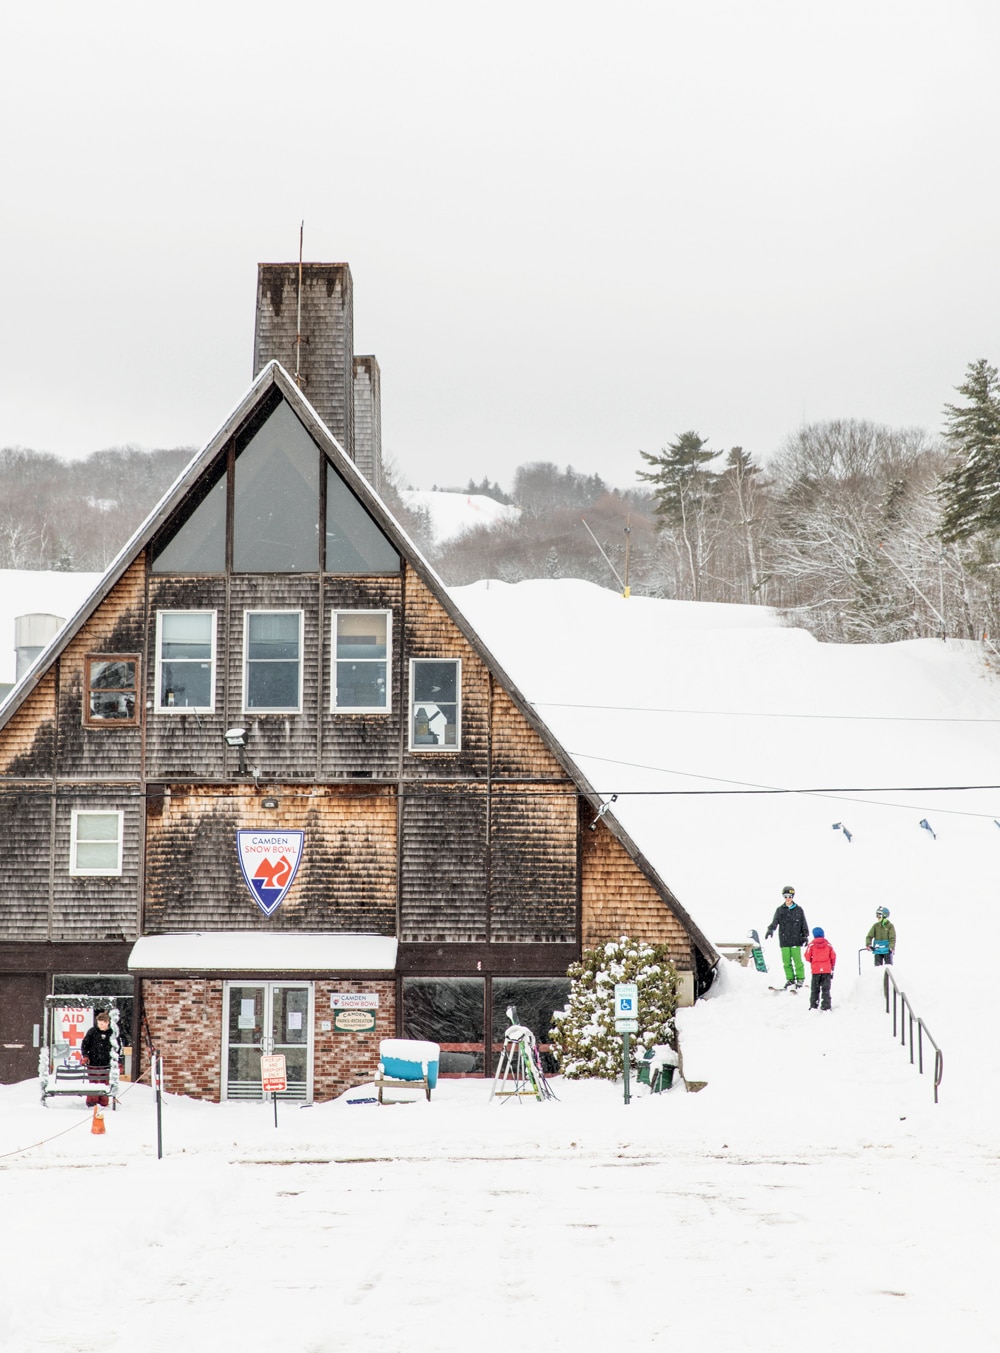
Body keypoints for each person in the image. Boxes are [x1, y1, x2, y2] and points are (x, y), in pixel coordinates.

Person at [764, 885, 809, 988]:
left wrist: (805, 935)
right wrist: (770, 929)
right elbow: (775, 922)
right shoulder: (780, 910)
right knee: (786, 962)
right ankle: (790, 979)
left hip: (796, 941)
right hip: (784, 941)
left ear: (793, 896)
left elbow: (804, 924)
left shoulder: (799, 910)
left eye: (790, 896)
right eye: (786, 896)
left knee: (798, 961)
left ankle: (800, 979)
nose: (788, 898)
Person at [80, 1009, 116, 1108]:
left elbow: (117, 1047)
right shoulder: (92, 1032)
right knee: (94, 1083)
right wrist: (85, 1056)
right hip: (93, 1062)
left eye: (103, 1023)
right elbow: (85, 1044)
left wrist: (117, 1060)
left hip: (106, 1063)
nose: (101, 1025)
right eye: (99, 1023)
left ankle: (103, 1103)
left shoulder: (111, 1033)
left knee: (104, 1083)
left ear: (108, 1022)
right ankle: (92, 1103)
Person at [804, 927, 836, 1011]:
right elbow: (833, 956)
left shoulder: (811, 945)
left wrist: (813, 961)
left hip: (816, 970)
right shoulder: (828, 944)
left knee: (815, 989)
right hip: (826, 970)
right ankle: (826, 1005)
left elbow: (807, 956)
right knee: (826, 989)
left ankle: (814, 1005)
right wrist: (831, 966)